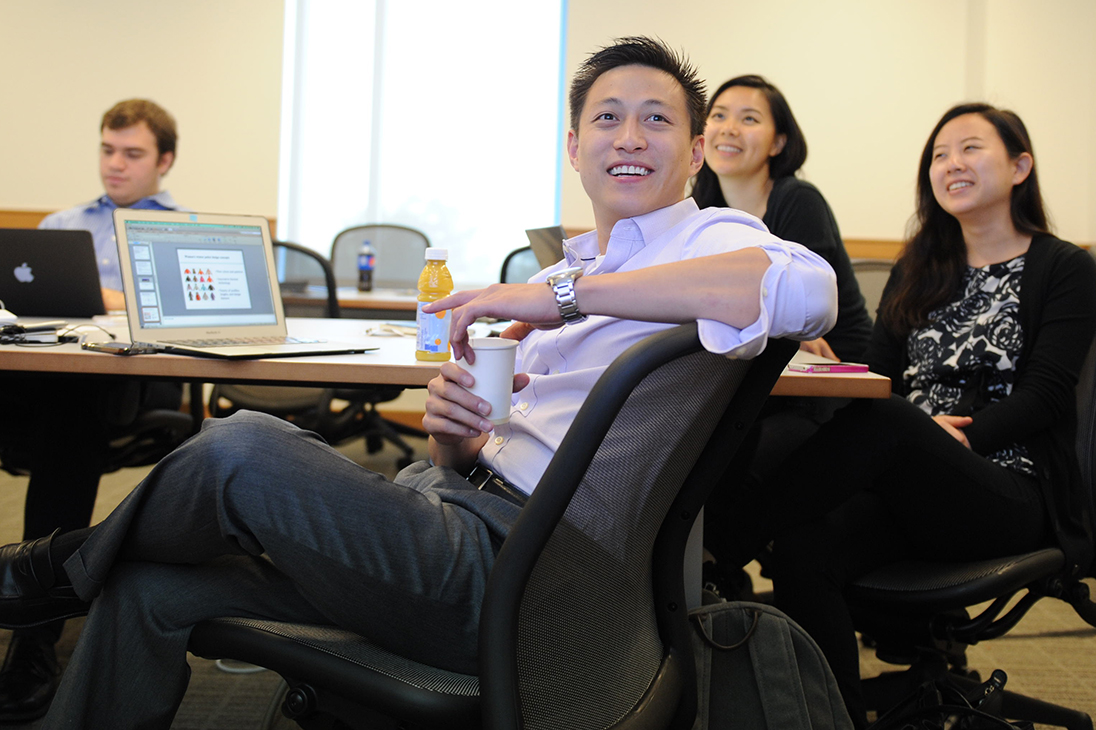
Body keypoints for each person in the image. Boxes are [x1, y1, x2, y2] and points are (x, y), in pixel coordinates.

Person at [0, 37, 837, 728]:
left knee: (241, 448)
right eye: (606, 118)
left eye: (657, 121)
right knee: (149, 588)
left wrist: (558, 295)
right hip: (450, 509)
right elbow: (513, 441)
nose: (628, 137)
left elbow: (809, 291)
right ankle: (67, 596)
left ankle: (45, 576)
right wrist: (458, 434)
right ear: (573, 146)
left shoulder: (707, 236)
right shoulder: (584, 256)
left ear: (694, 151)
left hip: (515, 575)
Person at [749, 103, 1096, 727]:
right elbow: (882, 378)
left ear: (1020, 167)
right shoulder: (920, 266)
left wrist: (948, 435)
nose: (950, 164)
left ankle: (724, 535)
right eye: (939, 154)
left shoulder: (1064, 268)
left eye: (969, 149)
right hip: (907, 477)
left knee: (890, 423)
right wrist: (833, 364)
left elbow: (1046, 398)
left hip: (1009, 488)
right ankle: (838, 719)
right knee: (807, 548)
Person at [0, 99, 185, 721]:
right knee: (59, 396)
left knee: (69, 405)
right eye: (108, 150)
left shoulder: (183, 229)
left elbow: (170, 310)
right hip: (43, 373)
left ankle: (34, 638)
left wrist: (95, 298)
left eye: (132, 154)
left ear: (164, 160)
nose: (115, 165)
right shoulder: (59, 223)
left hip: (132, 380)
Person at [690, 76, 872, 597]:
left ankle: (710, 572)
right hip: (756, 379)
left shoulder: (796, 200)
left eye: (749, 118)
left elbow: (795, 316)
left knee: (729, 459)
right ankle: (693, 575)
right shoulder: (700, 209)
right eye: (719, 114)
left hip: (825, 391)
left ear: (778, 142)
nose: (729, 128)